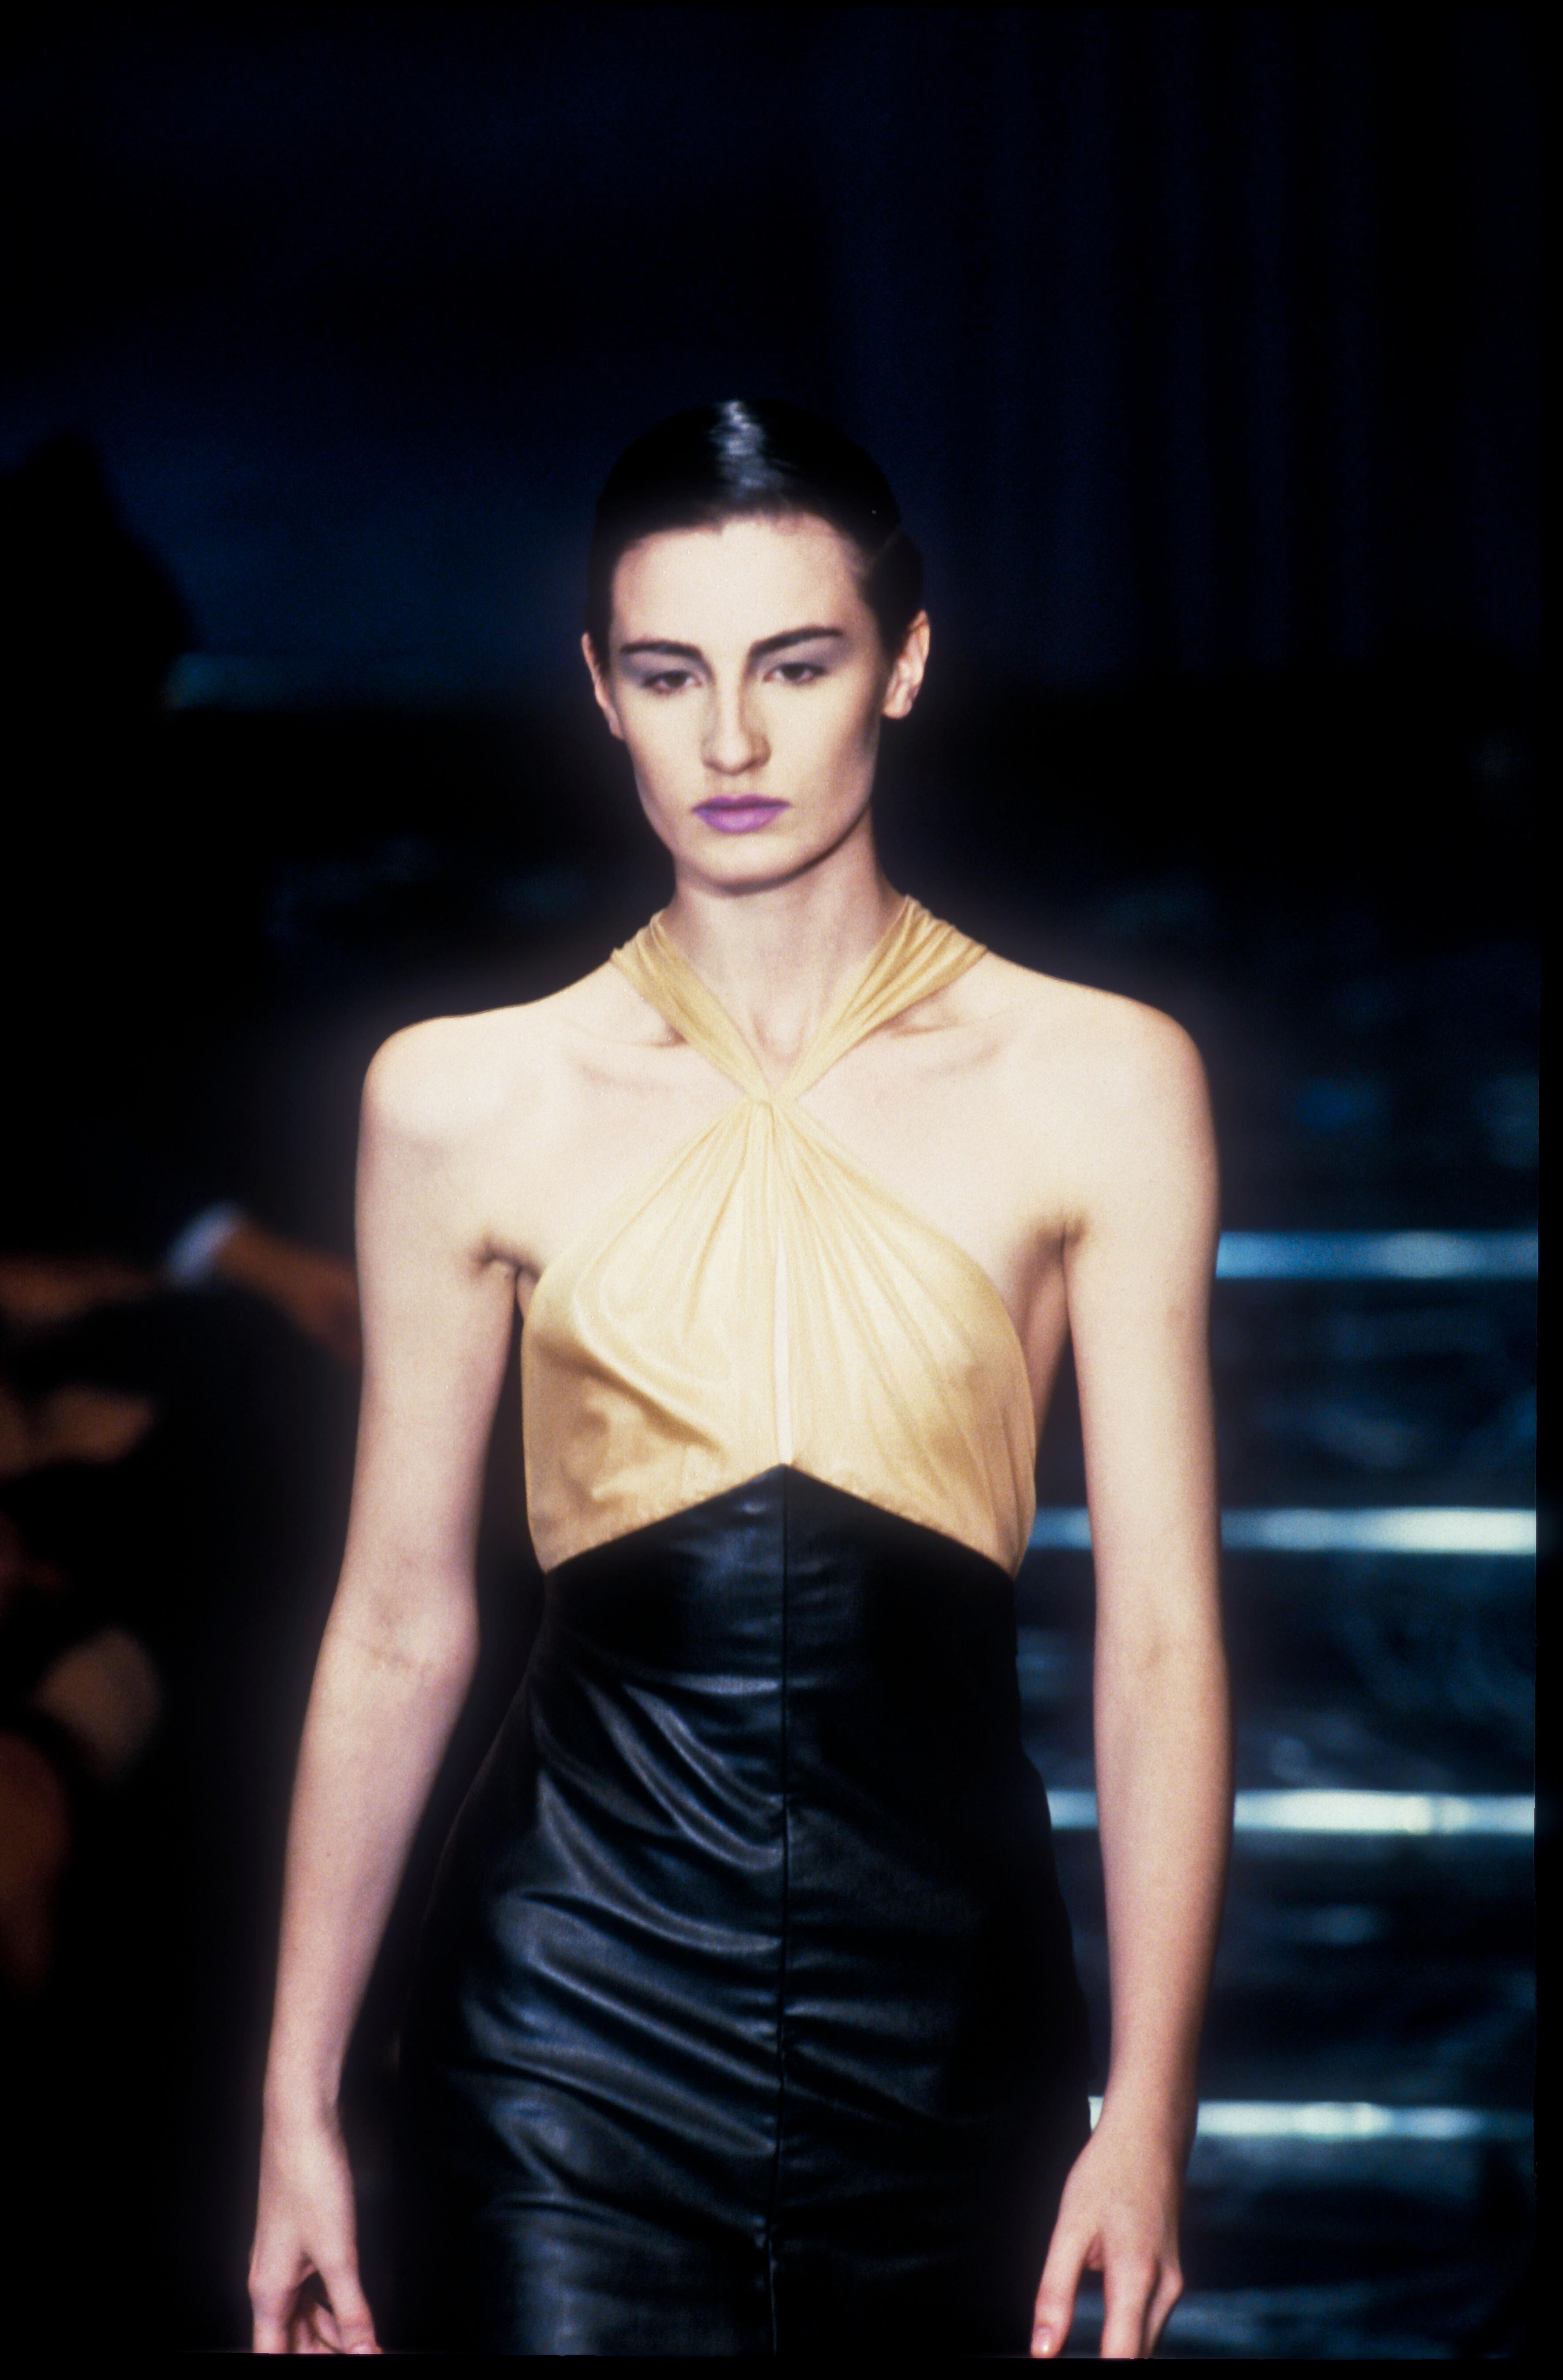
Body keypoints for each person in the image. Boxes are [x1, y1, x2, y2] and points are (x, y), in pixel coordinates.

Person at [249, 400, 1231, 2358]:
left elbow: (1159, 1644)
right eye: (669, 674)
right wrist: (295, 2099)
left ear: (905, 664)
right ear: (598, 690)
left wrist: (1151, 2115)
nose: (729, 743)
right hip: (562, 2021)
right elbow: (397, 1622)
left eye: (794, 666)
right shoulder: (462, 1099)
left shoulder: (1103, 1084)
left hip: (947, 2021)